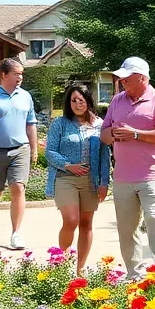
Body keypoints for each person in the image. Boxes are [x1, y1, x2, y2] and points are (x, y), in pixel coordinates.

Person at [100, 57, 155, 280]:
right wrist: (114, 134)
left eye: (127, 78)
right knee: (126, 227)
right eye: (121, 77)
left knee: (154, 219)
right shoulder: (117, 101)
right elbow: (104, 135)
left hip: (153, 173)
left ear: (142, 78)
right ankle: (135, 274)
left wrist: (135, 134)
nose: (122, 81)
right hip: (123, 176)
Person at [0, 59, 39, 250]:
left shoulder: (25, 96)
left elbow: (31, 124)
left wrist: (34, 149)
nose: (20, 77)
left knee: (18, 188)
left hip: (20, 149)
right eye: (16, 74)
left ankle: (15, 234)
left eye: (22, 74)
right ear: (4, 74)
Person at [46, 83, 111, 275]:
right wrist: (68, 165)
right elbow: (50, 151)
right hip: (65, 178)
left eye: (80, 100)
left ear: (88, 101)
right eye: (73, 100)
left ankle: (80, 270)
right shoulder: (60, 123)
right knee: (71, 220)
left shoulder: (99, 125)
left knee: (86, 223)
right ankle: (62, 262)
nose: (77, 104)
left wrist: (104, 183)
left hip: (91, 181)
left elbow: (104, 157)